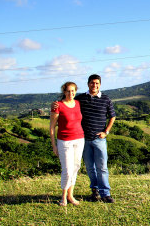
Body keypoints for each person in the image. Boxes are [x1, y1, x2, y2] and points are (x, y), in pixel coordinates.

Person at [53, 74, 117, 203]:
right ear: (88, 84)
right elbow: (68, 102)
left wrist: (106, 131)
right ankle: (95, 191)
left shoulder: (106, 99)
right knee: (90, 168)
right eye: (92, 83)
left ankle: (105, 193)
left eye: (97, 83)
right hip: (83, 139)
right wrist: (56, 104)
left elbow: (112, 116)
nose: (94, 85)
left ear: (100, 84)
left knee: (102, 167)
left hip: (99, 139)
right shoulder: (80, 98)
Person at [50, 81, 84, 206]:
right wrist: (54, 145)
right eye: (68, 91)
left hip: (79, 139)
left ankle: (71, 195)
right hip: (64, 141)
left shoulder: (78, 103)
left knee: (76, 167)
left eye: (73, 90)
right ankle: (63, 197)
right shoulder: (57, 105)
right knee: (67, 170)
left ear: (76, 91)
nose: (71, 93)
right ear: (64, 92)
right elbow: (52, 127)